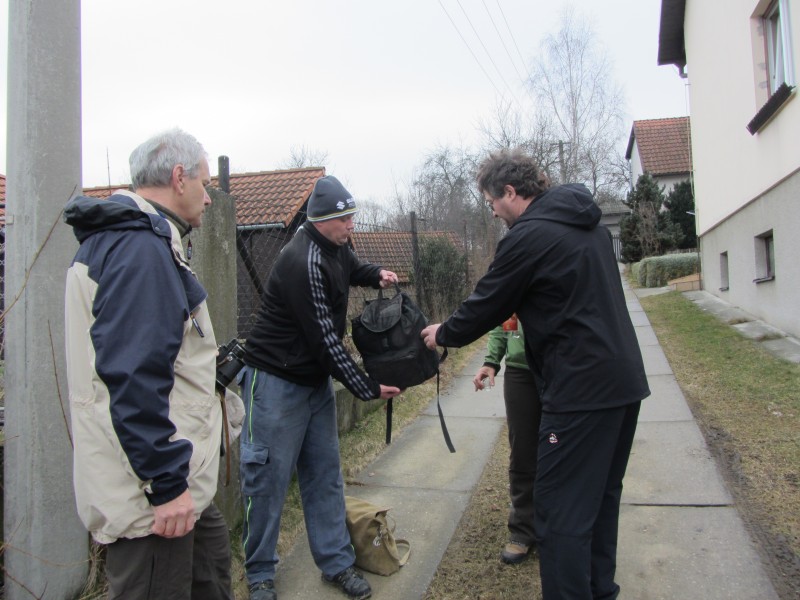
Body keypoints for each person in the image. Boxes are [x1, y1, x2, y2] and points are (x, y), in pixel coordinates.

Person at [421, 148, 650, 600]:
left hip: (579, 391)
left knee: (560, 513)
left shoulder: (528, 236)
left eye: (492, 202)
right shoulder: (590, 227)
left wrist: (444, 332)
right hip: (623, 383)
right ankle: (599, 590)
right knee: (601, 500)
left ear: (510, 192)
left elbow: (489, 300)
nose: (493, 213)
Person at [64, 128, 234, 599]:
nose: (210, 198)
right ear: (179, 178)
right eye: (204, 183)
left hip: (173, 482)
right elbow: (132, 377)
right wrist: (165, 482)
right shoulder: (138, 250)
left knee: (211, 566)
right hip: (153, 500)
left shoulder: (142, 242)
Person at [240, 175, 402, 600]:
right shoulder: (302, 262)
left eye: (353, 217)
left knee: (325, 476)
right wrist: (367, 387)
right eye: (345, 219)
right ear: (321, 220)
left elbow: (350, 267)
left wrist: (376, 275)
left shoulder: (335, 244)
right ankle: (260, 574)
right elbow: (327, 343)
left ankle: (336, 563)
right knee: (266, 482)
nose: (352, 225)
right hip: (275, 383)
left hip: (313, 382)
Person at [472, 320, 541, 565]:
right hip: (521, 374)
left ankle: (561, 526)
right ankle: (523, 529)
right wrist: (491, 361)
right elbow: (506, 319)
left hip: (562, 368)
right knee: (523, 450)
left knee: (559, 446)